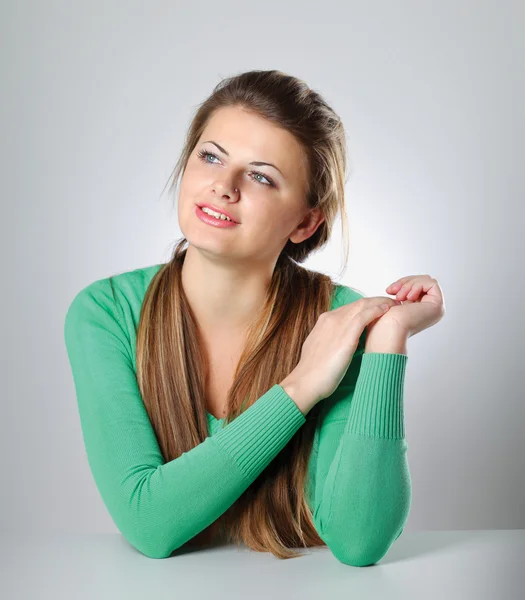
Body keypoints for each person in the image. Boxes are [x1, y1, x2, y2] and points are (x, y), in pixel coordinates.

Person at [64, 69, 443, 565]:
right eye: (211, 156)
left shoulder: (342, 322)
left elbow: (360, 541)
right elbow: (147, 523)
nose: (224, 185)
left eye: (261, 176)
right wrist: (303, 384)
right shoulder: (106, 313)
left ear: (305, 222)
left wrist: (388, 340)